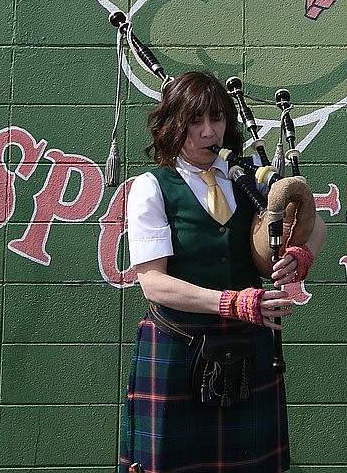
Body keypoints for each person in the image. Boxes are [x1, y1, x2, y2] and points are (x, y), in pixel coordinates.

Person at [119, 70, 327, 473]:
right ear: (172, 125)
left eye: (216, 119)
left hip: (248, 347)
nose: (208, 132)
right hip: (179, 348)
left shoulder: (248, 176)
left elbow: (315, 222)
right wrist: (232, 302)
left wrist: (303, 255)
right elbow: (153, 283)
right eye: (195, 121)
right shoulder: (152, 186)